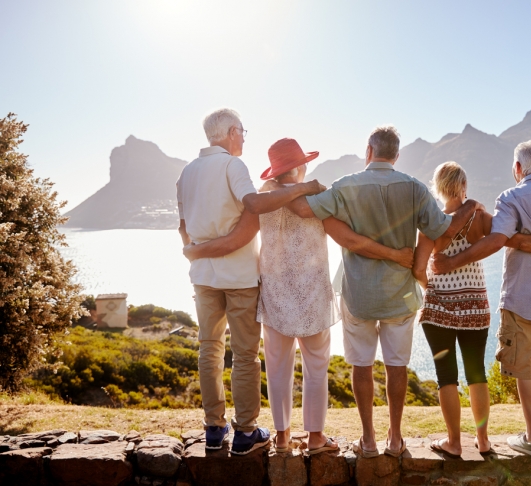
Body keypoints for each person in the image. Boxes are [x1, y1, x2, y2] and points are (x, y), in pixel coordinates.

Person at [183, 138, 413, 455]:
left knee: (277, 369)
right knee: (316, 369)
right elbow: (346, 235)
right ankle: (316, 438)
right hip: (314, 297)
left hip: (275, 296)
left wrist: (196, 249)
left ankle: (281, 437)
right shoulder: (318, 197)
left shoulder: (262, 198)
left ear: (276, 170)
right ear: (302, 165)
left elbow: (242, 236)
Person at [282, 125, 485, 458]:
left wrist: (285, 185)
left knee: (361, 366)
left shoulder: (345, 186)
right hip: (401, 294)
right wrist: (471, 205)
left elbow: (304, 210)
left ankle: (369, 440)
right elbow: (444, 229)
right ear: (396, 155)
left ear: (368, 151)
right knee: (397, 366)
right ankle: (394, 438)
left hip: (358, 294)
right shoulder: (416, 188)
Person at [176, 109, 326, 455]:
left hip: (203, 278)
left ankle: (214, 428)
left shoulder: (186, 173)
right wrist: (305, 187)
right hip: (240, 276)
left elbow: (183, 227)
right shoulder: (232, 166)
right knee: (244, 355)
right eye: (242, 131)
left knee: (208, 348)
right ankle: (245, 432)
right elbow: (254, 208)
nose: (244, 137)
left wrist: (195, 252)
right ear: (231, 132)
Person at [432, 140, 531, 457]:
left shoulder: (510, 197)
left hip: (523, 298)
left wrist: (450, 263)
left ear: (518, 168)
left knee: (525, 367)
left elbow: (499, 240)